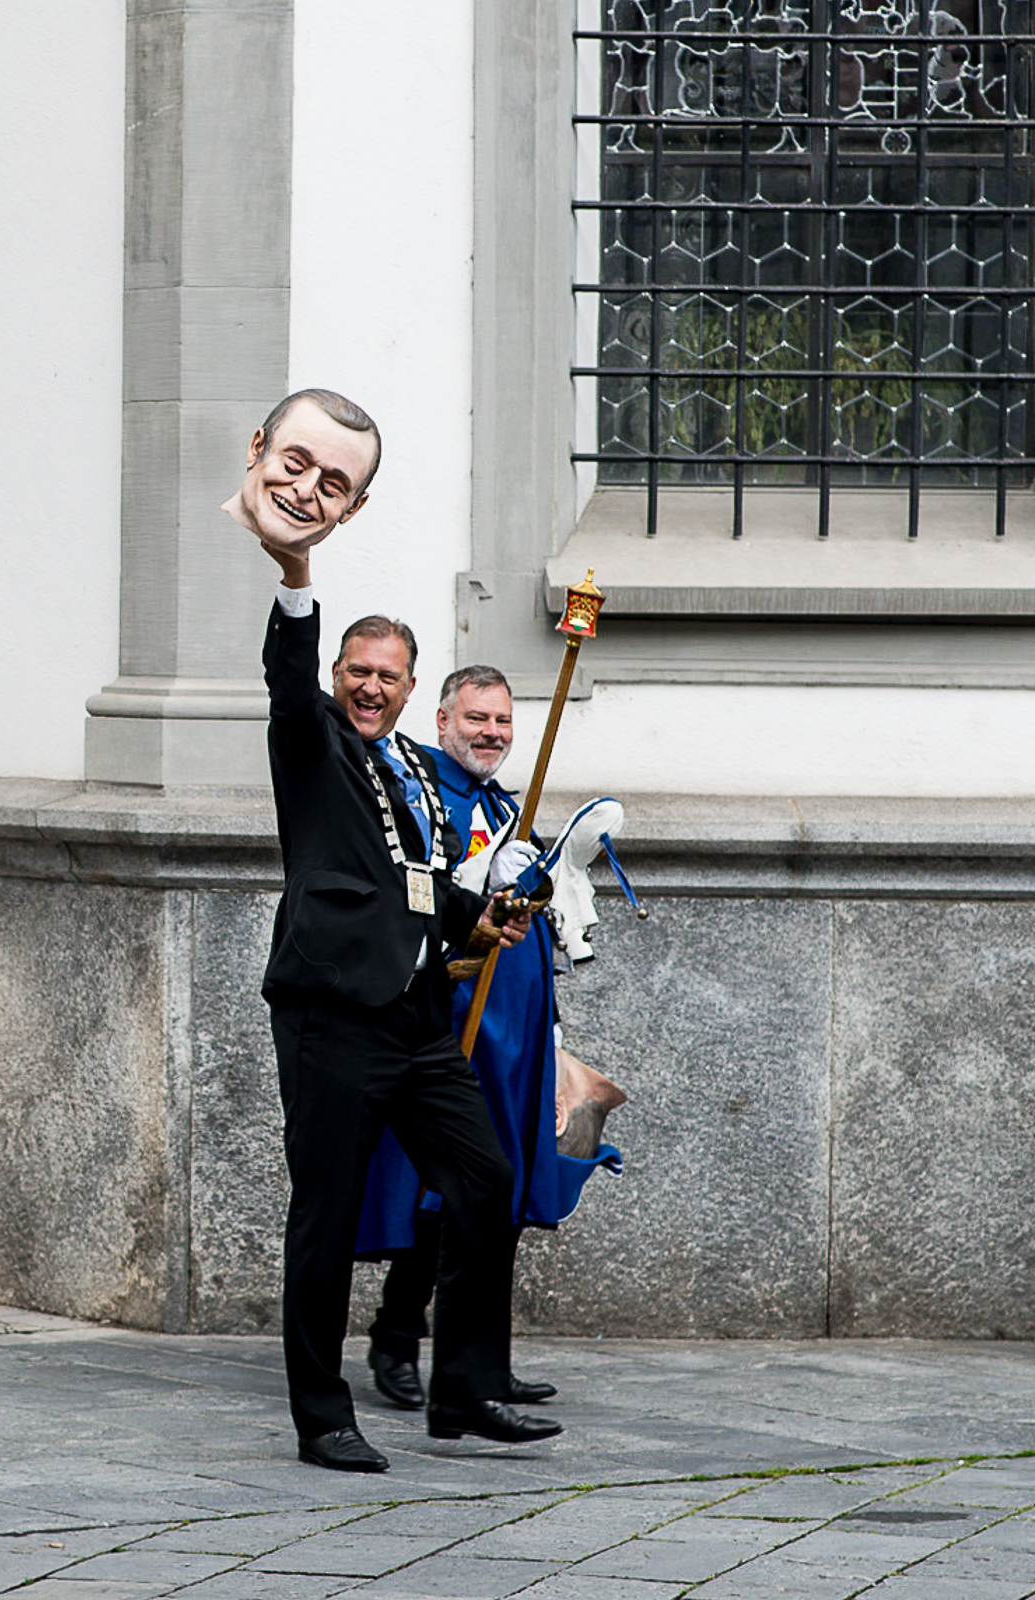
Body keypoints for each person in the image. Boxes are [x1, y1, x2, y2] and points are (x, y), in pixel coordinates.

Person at [229, 387, 555, 1475]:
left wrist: (490, 908)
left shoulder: (407, 771)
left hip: (416, 1019)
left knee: (486, 1180)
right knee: (324, 1219)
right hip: (330, 1017)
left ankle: (464, 1390)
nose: (369, 687)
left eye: (387, 677)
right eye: (355, 673)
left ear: (410, 690)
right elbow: (286, 678)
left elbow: (416, 883)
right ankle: (323, 1412)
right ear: (337, 680)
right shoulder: (311, 741)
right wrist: (295, 575)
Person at [354, 665, 623, 1416]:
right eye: (476, 719)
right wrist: (479, 871)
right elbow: (419, 889)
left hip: (516, 1029)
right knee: (436, 1189)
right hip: (448, 1018)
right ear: (442, 721)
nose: (491, 733)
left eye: (502, 722)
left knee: (495, 1190)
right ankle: (397, 1338)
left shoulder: (511, 806)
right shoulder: (416, 796)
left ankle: (481, 1364)